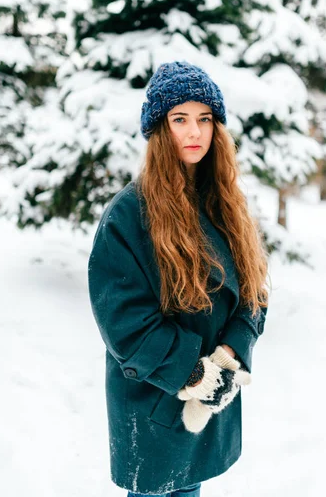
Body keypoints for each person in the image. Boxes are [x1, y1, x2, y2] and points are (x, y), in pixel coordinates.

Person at [88, 61, 270, 496]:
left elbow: (254, 291)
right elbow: (124, 322)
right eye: (180, 119)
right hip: (153, 401)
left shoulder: (225, 202)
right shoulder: (128, 216)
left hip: (208, 402)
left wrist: (229, 354)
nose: (194, 132)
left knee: (190, 488)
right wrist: (191, 372)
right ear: (159, 130)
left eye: (204, 119)